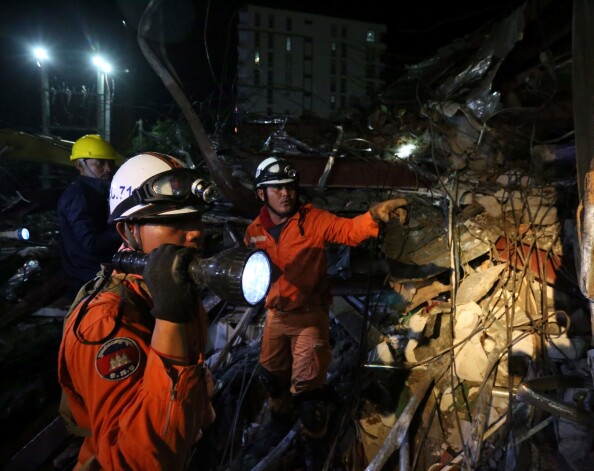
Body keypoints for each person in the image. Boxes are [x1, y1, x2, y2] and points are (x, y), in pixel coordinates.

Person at [58, 152, 216, 470]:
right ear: (128, 231)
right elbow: (134, 460)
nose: (195, 231)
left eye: (195, 218)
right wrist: (170, 317)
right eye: (172, 221)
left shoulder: (170, 289)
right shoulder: (104, 323)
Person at [243, 156, 408, 446]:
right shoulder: (254, 232)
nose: (286, 193)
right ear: (262, 194)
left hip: (309, 314)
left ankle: (315, 442)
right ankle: (280, 417)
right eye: (276, 188)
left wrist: (375, 215)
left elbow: (349, 231)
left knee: (307, 390)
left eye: (290, 187)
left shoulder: (313, 220)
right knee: (270, 376)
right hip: (276, 315)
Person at [57, 134, 123, 299]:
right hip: (88, 283)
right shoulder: (78, 196)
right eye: (100, 163)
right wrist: (125, 228)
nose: (108, 168)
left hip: (98, 277)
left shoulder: (97, 191)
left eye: (110, 162)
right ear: (80, 164)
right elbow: (92, 243)